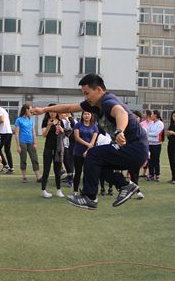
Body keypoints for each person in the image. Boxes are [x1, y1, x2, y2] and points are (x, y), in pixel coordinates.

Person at [32, 74, 147, 210]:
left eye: (87, 93)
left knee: (92, 154)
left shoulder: (107, 101)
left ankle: (90, 197)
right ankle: (124, 185)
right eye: (84, 94)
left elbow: (120, 112)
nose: (85, 97)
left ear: (98, 90)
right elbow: (69, 108)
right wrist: (44, 110)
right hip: (131, 150)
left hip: (135, 148)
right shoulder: (93, 104)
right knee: (93, 162)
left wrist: (120, 131)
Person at [40, 106, 65, 198]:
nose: (52, 113)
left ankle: (59, 190)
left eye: (54, 111)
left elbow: (64, 135)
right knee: (46, 170)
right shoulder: (45, 121)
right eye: (50, 111)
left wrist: (62, 130)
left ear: (57, 112)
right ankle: (43, 190)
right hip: (48, 149)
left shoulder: (60, 121)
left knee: (57, 171)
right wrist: (49, 126)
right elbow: (44, 135)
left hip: (58, 149)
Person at [72, 111, 98, 195]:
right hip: (78, 152)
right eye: (85, 114)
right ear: (82, 115)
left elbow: (93, 142)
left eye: (88, 114)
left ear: (91, 115)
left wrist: (87, 150)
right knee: (78, 173)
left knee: (87, 173)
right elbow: (77, 138)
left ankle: (85, 191)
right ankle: (75, 191)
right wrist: (87, 144)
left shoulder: (94, 127)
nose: (87, 115)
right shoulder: (78, 125)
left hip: (89, 153)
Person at [14, 104, 41, 183]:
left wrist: (35, 143)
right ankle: (24, 176)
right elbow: (16, 133)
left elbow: (33, 132)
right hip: (22, 142)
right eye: (30, 109)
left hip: (31, 142)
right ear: (26, 110)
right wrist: (18, 146)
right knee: (23, 159)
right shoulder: (19, 120)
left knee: (34, 158)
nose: (32, 111)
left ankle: (38, 177)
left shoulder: (31, 120)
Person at [0, 99, 14, 173]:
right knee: (7, 150)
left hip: (4, 132)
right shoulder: (3, 110)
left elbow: (2, 120)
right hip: (9, 132)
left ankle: (5, 165)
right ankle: (11, 167)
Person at [146, 110, 164, 182]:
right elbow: (147, 131)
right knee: (150, 159)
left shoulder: (160, 123)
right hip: (149, 144)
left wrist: (149, 134)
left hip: (157, 144)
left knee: (156, 159)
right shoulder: (151, 123)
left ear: (156, 115)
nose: (151, 116)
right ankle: (151, 174)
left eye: (152, 114)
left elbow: (156, 134)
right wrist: (150, 134)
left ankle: (157, 175)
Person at [139, 110, 152, 177]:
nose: (143, 114)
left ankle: (150, 173)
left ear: (148, 115)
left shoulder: (152, 123)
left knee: (150, 158)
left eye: (144, 113)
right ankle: (144, 172)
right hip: (144, 143)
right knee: (145, 157)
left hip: (152, 143)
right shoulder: (142, 123)